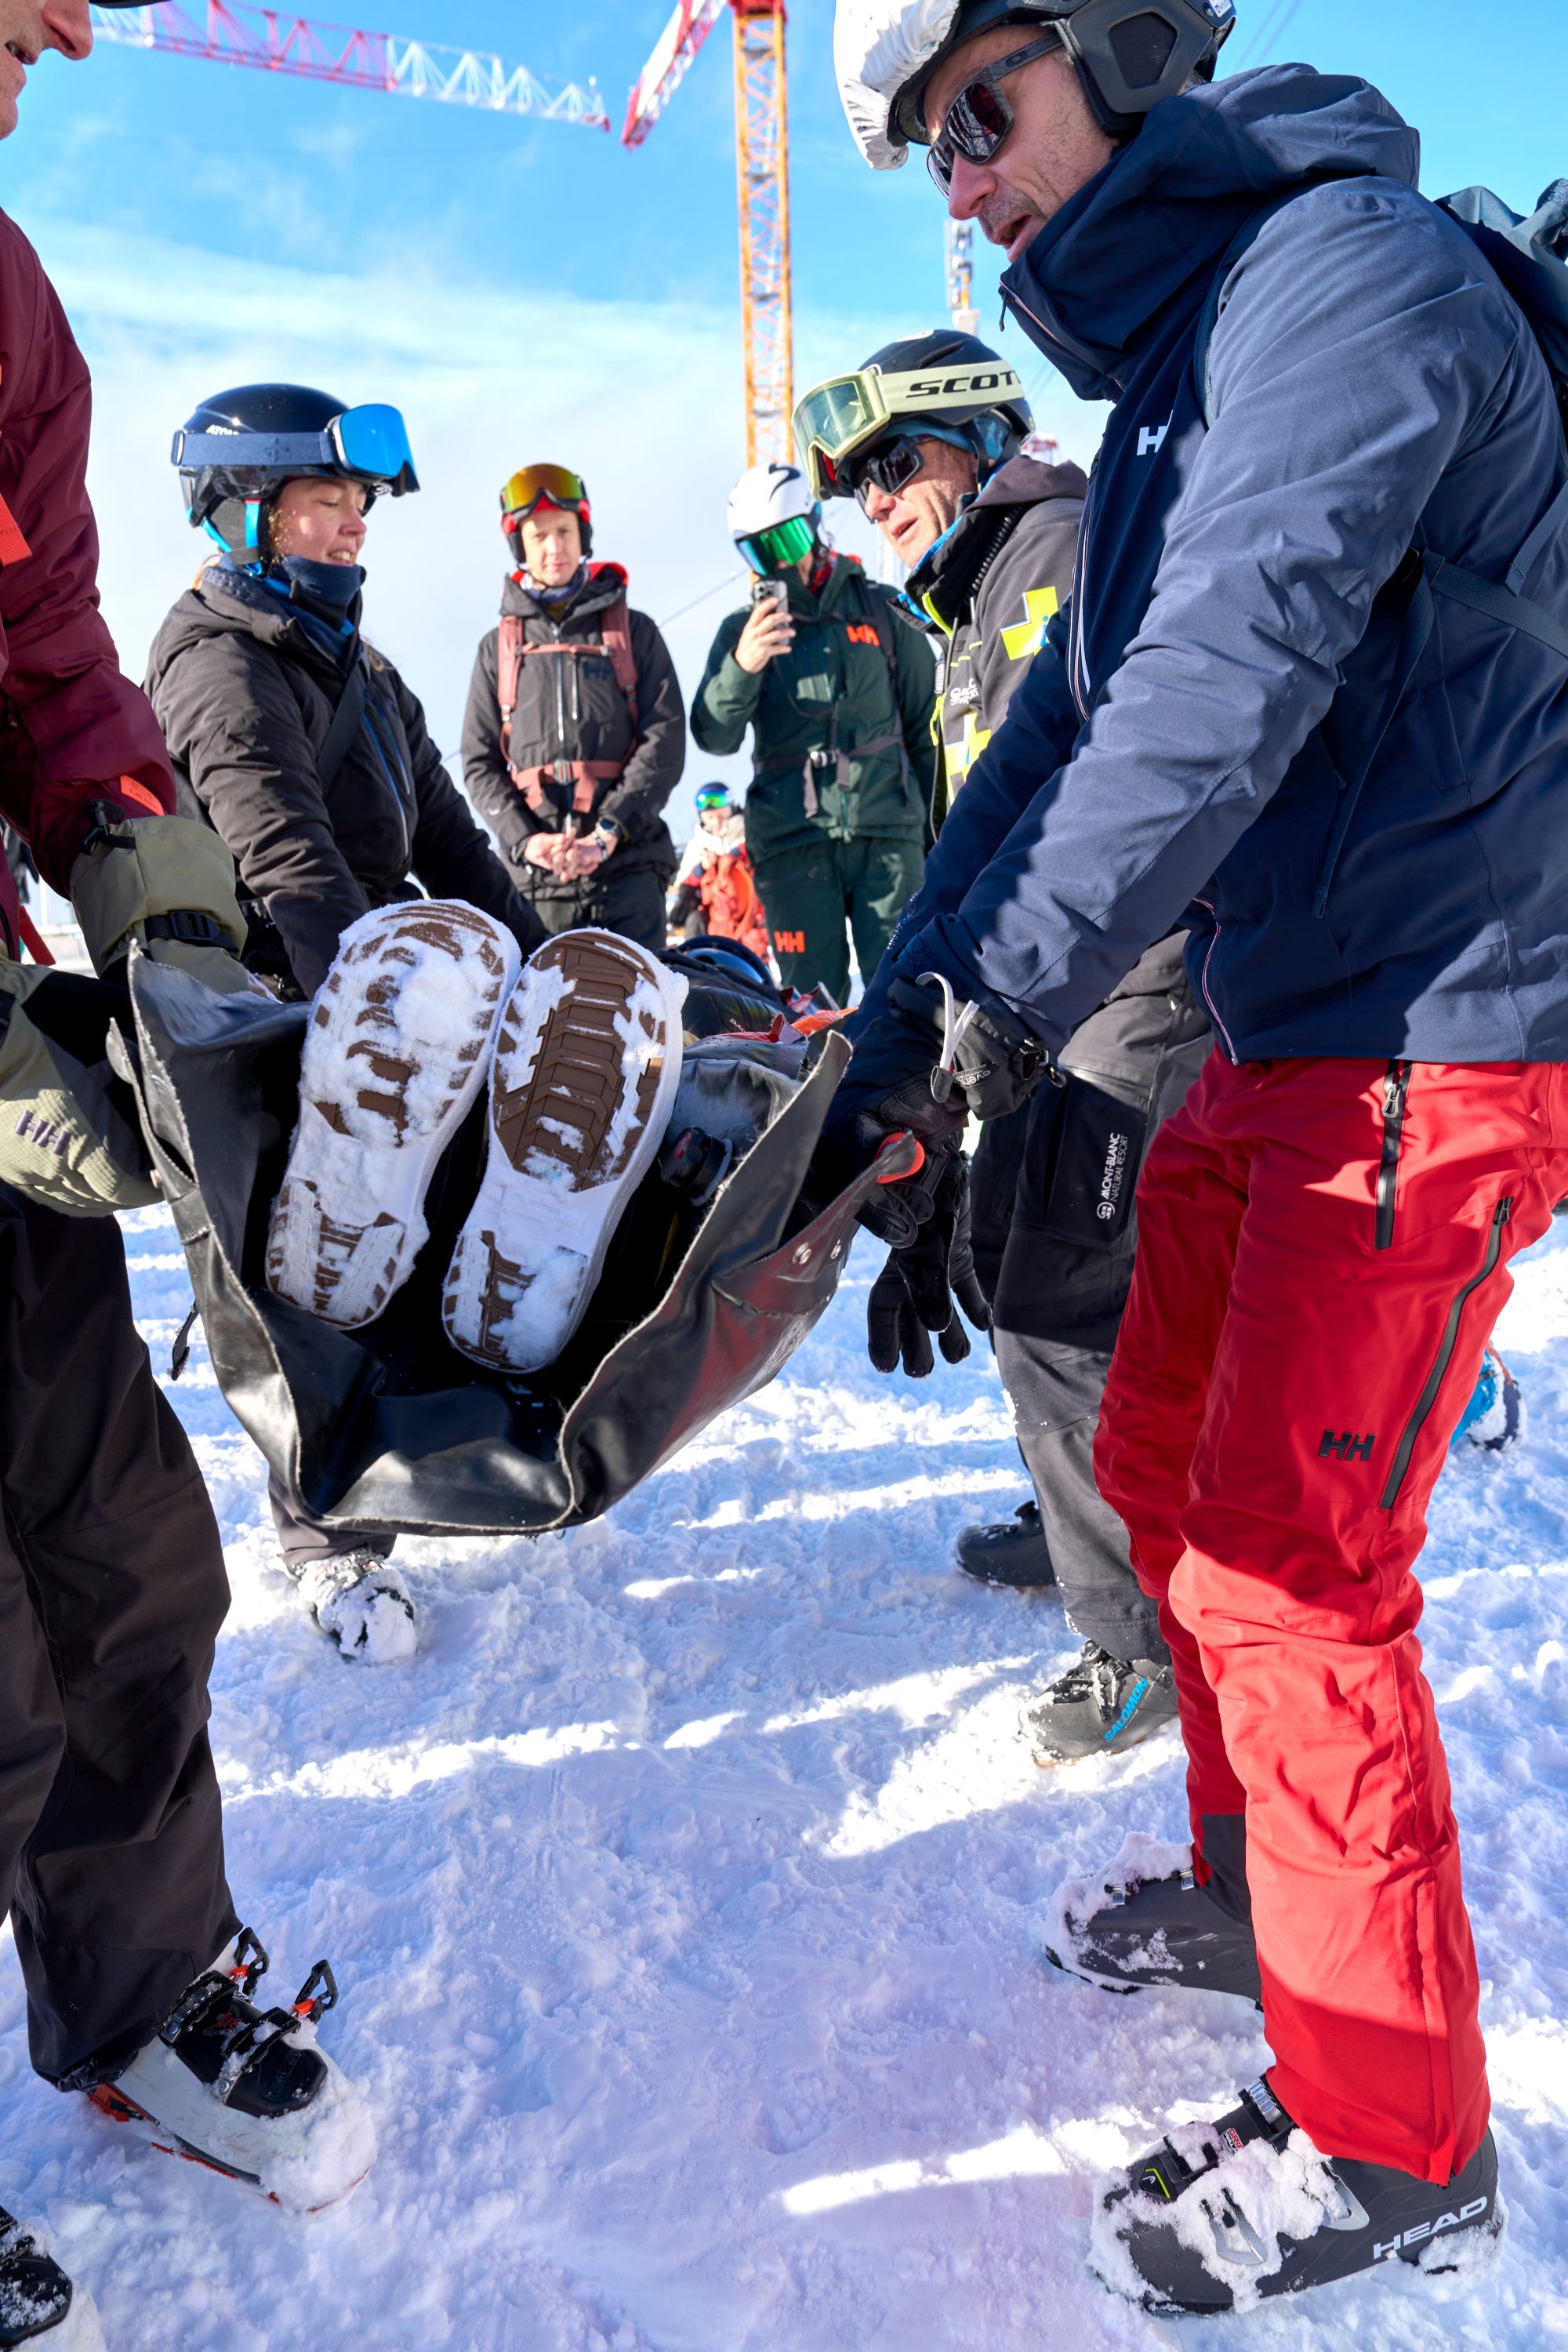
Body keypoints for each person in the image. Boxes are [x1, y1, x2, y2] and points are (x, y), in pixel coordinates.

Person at [829, 0, 1568, 2310]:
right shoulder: (1169, 381)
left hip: (1439, 1031)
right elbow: (1047, 740)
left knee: (1284, 1567)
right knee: (1160, 1464)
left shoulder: (1347, 284)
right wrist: (909, 1050)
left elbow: (1216, 683)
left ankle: (1388, 2140)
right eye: (932, 151)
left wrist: (1005, 1014)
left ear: (1126, 45)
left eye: (979, 114)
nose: (959, 185)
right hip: (1294, 1021)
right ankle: (1270, 1897)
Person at [0, 5, 376, 2334]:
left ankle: (138, 1987)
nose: (39, 49)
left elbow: (40, 640)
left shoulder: (6, 298)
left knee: (121, 1548)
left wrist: (154, 905)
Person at [799, 329, 1200, 1756]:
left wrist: (992, 1008)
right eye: (858, 487)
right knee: (1010, 1259)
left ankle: (1141, 1644)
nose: (875, 502)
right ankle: (1081, 1515)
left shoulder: (1050, 553)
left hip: (1133, 976)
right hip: (1060, 983)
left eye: (893, 465)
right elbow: (981, 834)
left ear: (974, 439)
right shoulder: (980, 593)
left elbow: (1086, 801)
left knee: (1060, 1302)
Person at [146, 381, 543, 1667]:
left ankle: (439, 1452)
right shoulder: (217, 655)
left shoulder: (361, 667)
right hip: (261, 1013)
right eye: (327, 501)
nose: (354, 525)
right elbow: (284, 857)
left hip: (375, 990)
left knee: (403, 1251)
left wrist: (547, 970)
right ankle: (329, 1546)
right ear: (243, 515)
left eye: (359, 502)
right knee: (302, 1281)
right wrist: (369, 1013)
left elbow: (449, 840)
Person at [691, 460, 936, 1004]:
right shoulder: (742, 632)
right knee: (810, 1005)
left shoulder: (884, 611)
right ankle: (821, 1091)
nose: (779, 558)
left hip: (888, 837)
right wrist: (743, 665)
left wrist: (934, 839)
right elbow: (713, 735)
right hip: (792, 844)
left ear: (815, 521)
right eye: (760, 549)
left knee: (906, 993)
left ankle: (908, 1092)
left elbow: (924, 731)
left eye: (788, 537)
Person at [461, 463, 685, 953]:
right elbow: (479, 762)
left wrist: (608, 832)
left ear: (582, 533)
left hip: (629, 871)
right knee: (537, 1023)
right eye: (538, 536)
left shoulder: (635, 633)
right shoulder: (497, 649)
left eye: (563, 531)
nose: (553, 547)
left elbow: (664, 741)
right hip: (537, 888)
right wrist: (525, 842)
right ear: (520, 545)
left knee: (639, 1019)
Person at [666, 781, 770, 960]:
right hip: (716, 923)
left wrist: (738, 856)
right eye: (710, 818)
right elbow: (684, 882)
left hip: (752, 919)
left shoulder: (751, 834)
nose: (717, 823)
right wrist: (701, 869)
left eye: (721, 816)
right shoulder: (698, 846)